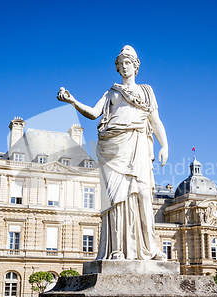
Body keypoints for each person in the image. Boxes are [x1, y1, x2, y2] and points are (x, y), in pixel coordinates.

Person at [57, 45, 169, 260]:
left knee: (144, 195)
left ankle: (151, 249)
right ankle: (117, 249)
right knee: (116, 199)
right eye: (121, 64)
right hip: (113, 147)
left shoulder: (146, 90)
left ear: (136, 66)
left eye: (128, 63)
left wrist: (164, 145)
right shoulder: (111, 92)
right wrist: (72, 101)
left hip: (138, 143)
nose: (125, 67)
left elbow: (155, 121)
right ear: (117, 68)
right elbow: (93, 113)